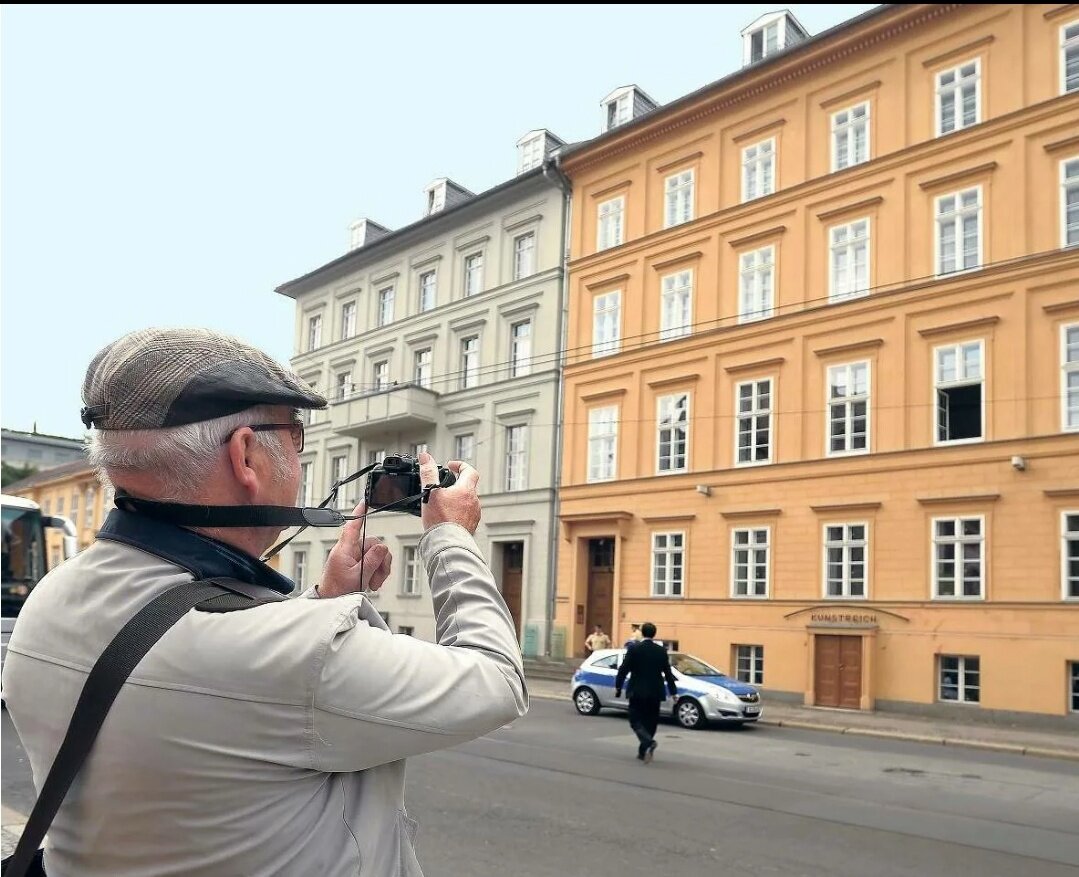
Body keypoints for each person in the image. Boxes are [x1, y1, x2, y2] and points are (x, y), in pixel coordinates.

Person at [1, 327, 527, 877]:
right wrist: (450, 538)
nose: (300, 457)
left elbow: (225, 692)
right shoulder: (290, 656)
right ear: (246, 455)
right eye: (296, 437)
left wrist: (324, 599)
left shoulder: (49, 602)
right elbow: (496, 681)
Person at [614, 621, 677, 763]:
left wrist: (618, 686)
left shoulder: (634, 649)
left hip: (637, 691)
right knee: (651, 721)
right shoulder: (661, 651)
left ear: (642, 633)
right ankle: (643, 751)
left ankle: (649, 743)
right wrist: (673, 692)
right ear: (654, 634)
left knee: (635, 720)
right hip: (655, 692)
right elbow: (668, 673)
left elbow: (624, 669)